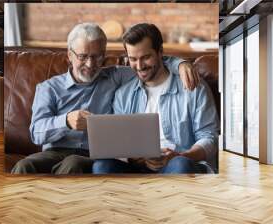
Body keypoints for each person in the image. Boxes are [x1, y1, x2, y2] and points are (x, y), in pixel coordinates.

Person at [11, 23, 199, 175]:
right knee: (24, 166)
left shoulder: (115, 76)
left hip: (92, 154)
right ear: (70, 55)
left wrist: (181, 64)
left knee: (73, 164)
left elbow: (150, 64)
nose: (91, 64)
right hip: (54, 151)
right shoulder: (49, 88)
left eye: (97, 57)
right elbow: (36, 133)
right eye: (83, 57)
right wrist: (66, 121)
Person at [93, 23, 219, 174]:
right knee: (102, 166)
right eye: (133, 59)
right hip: (137, 167)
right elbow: (118, 143)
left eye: (145, 57)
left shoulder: (193, 87)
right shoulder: (123, 94)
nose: (139, 66)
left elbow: (209, 137)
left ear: (160, 52)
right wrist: (132, 157)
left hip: (180, 161)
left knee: (179, 164)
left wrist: (181, 155)